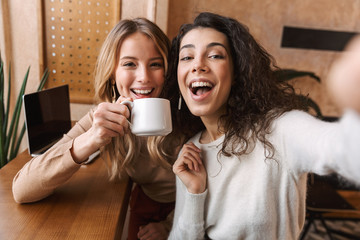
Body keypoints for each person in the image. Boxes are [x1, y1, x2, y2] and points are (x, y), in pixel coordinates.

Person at [166, 12, 360, 239]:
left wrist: (353, 95)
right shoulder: (191, 152)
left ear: (237, 73)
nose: (198, 65)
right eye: (187, 57)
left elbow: (340, 148)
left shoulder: (279, 129)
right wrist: (194, 193)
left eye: (215, 55)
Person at [12, 18, 186, 240]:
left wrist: (170, 225)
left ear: (168, 70)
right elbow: (21, 190)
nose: (144, 76)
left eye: (155, 64)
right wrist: (91, 138)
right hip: (146, 202)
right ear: (112, 73)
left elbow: (212, 189)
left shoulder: (186, 115)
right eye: (129, 64)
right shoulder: (106, 116)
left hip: (188, 210)